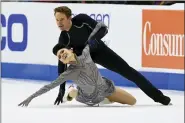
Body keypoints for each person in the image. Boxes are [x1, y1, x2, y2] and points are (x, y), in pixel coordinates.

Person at [52, 6, 171, 106]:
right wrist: (61, 88)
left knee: (129, 72)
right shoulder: (63, 38)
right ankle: (89, 94)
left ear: (69, 18)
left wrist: (94, 39)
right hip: (85, 59)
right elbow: (61, 65)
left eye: (61, 19)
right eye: (57, 20)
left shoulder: (82, 20)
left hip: (100, 52)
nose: (59, 23)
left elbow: (103, 29)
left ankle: (158, 96)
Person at [18, 45, 136, 107]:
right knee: (74, 92)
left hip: (105, 88)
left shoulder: (85, 54)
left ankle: (106, 99)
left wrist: (99, 26)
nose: (62, 55)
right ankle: (70, 93)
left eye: (63, 51)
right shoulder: (68, 73)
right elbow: (49, 86)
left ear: (70, 50)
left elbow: (92, 37)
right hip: (87, 97)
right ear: (63, 62)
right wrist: (31, 97)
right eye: (59, 57)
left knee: (132, 101)